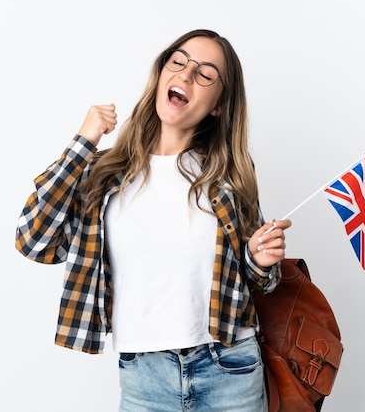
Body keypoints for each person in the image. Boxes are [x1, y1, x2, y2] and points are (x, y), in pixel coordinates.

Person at [15, 28, 292, 411]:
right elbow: (33, 239)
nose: (186, 74)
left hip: (229, 369)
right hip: (145, 378)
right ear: (162, 74)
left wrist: (259, 260)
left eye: (206, 74)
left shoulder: (228, 178)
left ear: (217, 105)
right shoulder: (107, 174)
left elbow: (259, 282)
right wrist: (83, 142)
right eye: (178, 62)